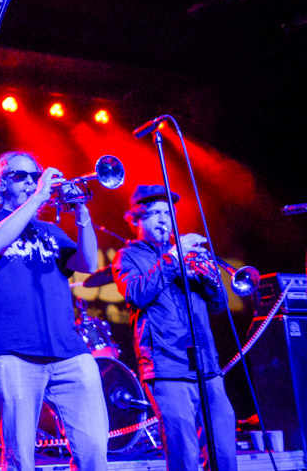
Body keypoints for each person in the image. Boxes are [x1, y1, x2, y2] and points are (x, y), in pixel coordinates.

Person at [0, 150, 108, 471]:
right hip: (12, 352)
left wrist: (82, 212)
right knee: (20, 460)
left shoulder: (52, 231)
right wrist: (40, 195)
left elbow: (87, 263)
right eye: (20, 176)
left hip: (70, 352)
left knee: (94, 452)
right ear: (0, 184)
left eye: (34, 176)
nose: (30, 182)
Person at [112, 185, 237, 471]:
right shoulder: (127, 257)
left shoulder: (184, 255)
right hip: (167, 366)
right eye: (154, 213)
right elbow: (136, 293)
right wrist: (172, 259)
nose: (163, 220)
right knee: (185, 458)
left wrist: (210, 279)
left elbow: (218, 305)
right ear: (136, 221)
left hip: (206, 366)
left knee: (225, 455)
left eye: (167, 213)